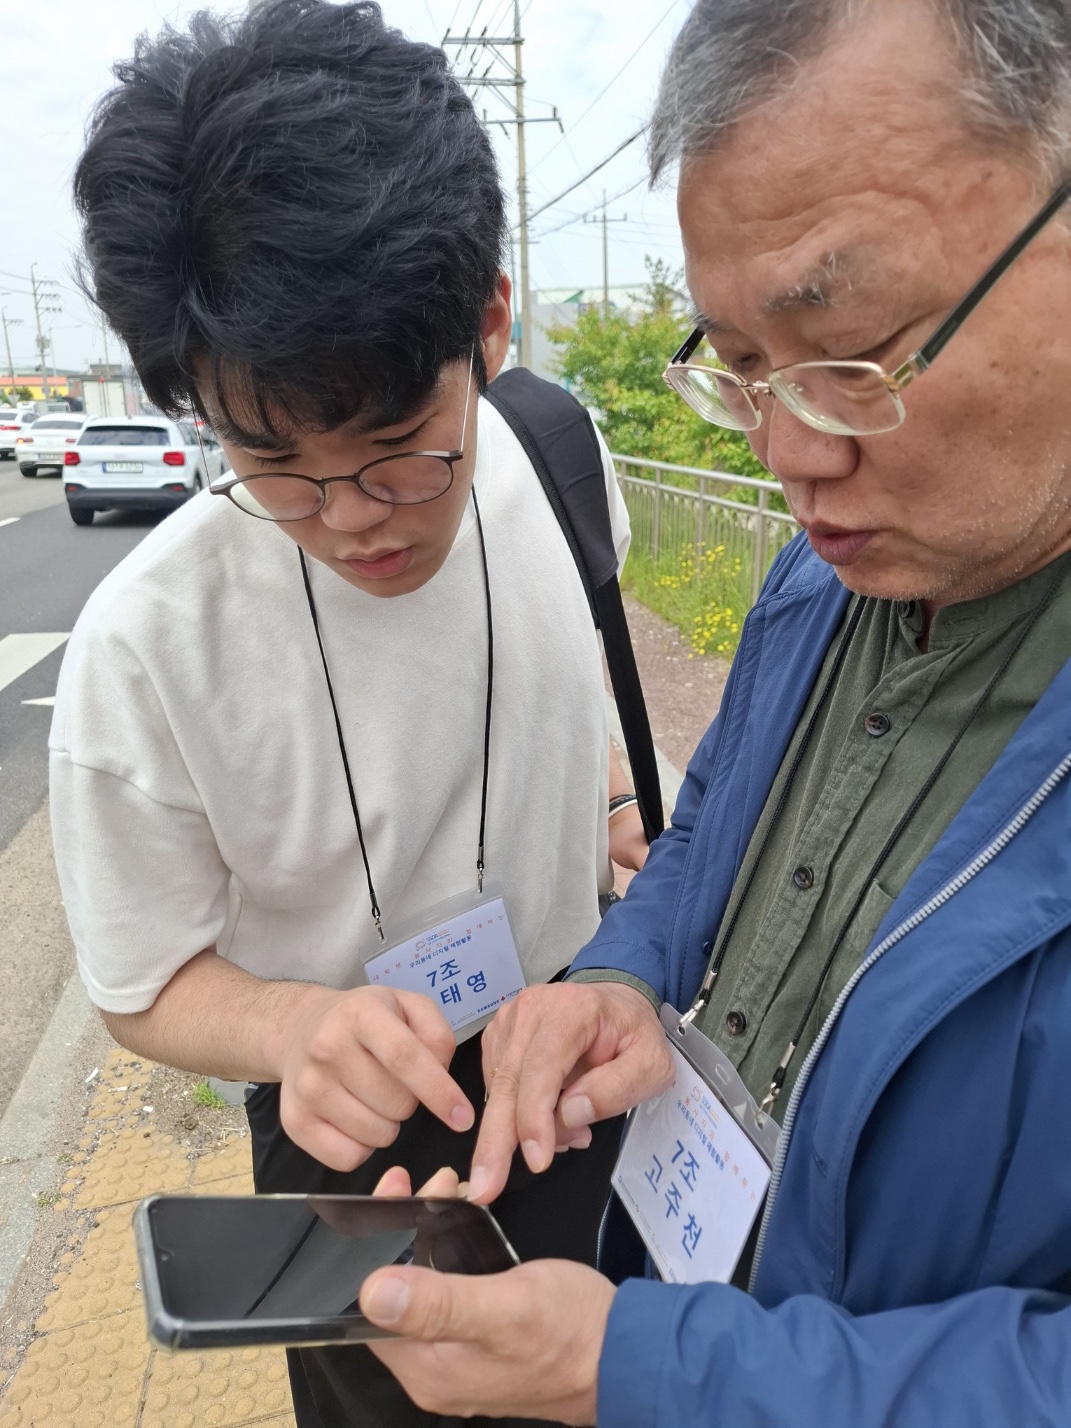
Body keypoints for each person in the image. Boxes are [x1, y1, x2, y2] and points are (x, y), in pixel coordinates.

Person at [345, 1, 1071, 1424]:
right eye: (739, 367)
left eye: (851, 354)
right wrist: (623, 973)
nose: (792, 456)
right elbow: (710, 835)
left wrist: (644, 1368)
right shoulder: (822, 576)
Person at [51, 3, 647, 1425]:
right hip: (350, 1131)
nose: (351, 519)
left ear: (487, 323)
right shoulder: (146, 647)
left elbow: (588, 667)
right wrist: (289, 1032)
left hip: (580, 1055)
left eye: (397, 451)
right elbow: (137, 980)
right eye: (275, 466)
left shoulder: (558, 459)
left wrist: (616, 799)